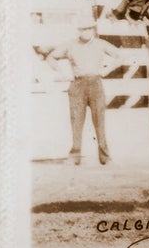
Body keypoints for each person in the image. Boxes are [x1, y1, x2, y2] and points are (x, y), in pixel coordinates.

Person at [45, 21, 121, 165]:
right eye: (83, 28)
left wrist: (106, 70)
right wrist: (63, 72)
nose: (86, 31)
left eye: (89, 28)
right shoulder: (70, 44)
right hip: (77, 84)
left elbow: (120, 56)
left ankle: (105, 157)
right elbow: (51, 57)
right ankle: (74, 157)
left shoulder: (101, 44)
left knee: (99, 120)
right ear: (78, 30)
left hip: (95, 83)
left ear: (93, 29)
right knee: (76, 121)